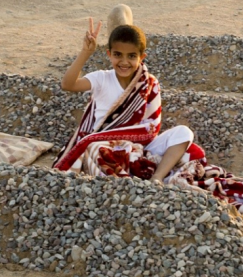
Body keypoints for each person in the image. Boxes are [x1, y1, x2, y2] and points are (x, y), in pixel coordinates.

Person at [53, 18, 197, 182]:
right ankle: (125, 183)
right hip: (106, 145)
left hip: (139, 147)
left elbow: (151, 128)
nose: (124, 62)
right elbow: (67, 84)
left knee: (184, 133)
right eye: (118, 55)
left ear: (141, 57)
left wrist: (133, 145)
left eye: (131, 56)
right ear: (109, 54)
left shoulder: (149, 83)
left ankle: (156, 178)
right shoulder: (102, 79)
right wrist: (85, 52)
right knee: (95, 148)